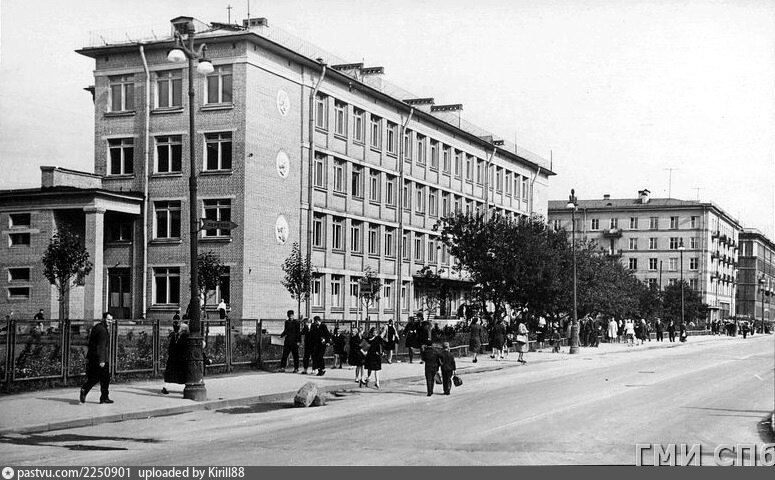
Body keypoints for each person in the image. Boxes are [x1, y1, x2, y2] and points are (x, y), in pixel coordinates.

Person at [80, 312, 114, 404]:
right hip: (101, 358)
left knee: (98, 377)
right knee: (103, 378)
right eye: (108, 319)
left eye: (111, 320)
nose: (110, 322)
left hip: (93, 356)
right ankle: (101, 396)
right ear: (103, 319)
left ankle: (103, 396)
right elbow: (101, 346)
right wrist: (102, 360)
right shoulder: (102, 331)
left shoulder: (97, 327)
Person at [162, 321, 188, 394]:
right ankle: (166, 387)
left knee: (172, 374)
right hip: (179, 358)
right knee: (180, 374)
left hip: (175, 358)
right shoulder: (182, 336)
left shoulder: (177, 336)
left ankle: (166, 387)